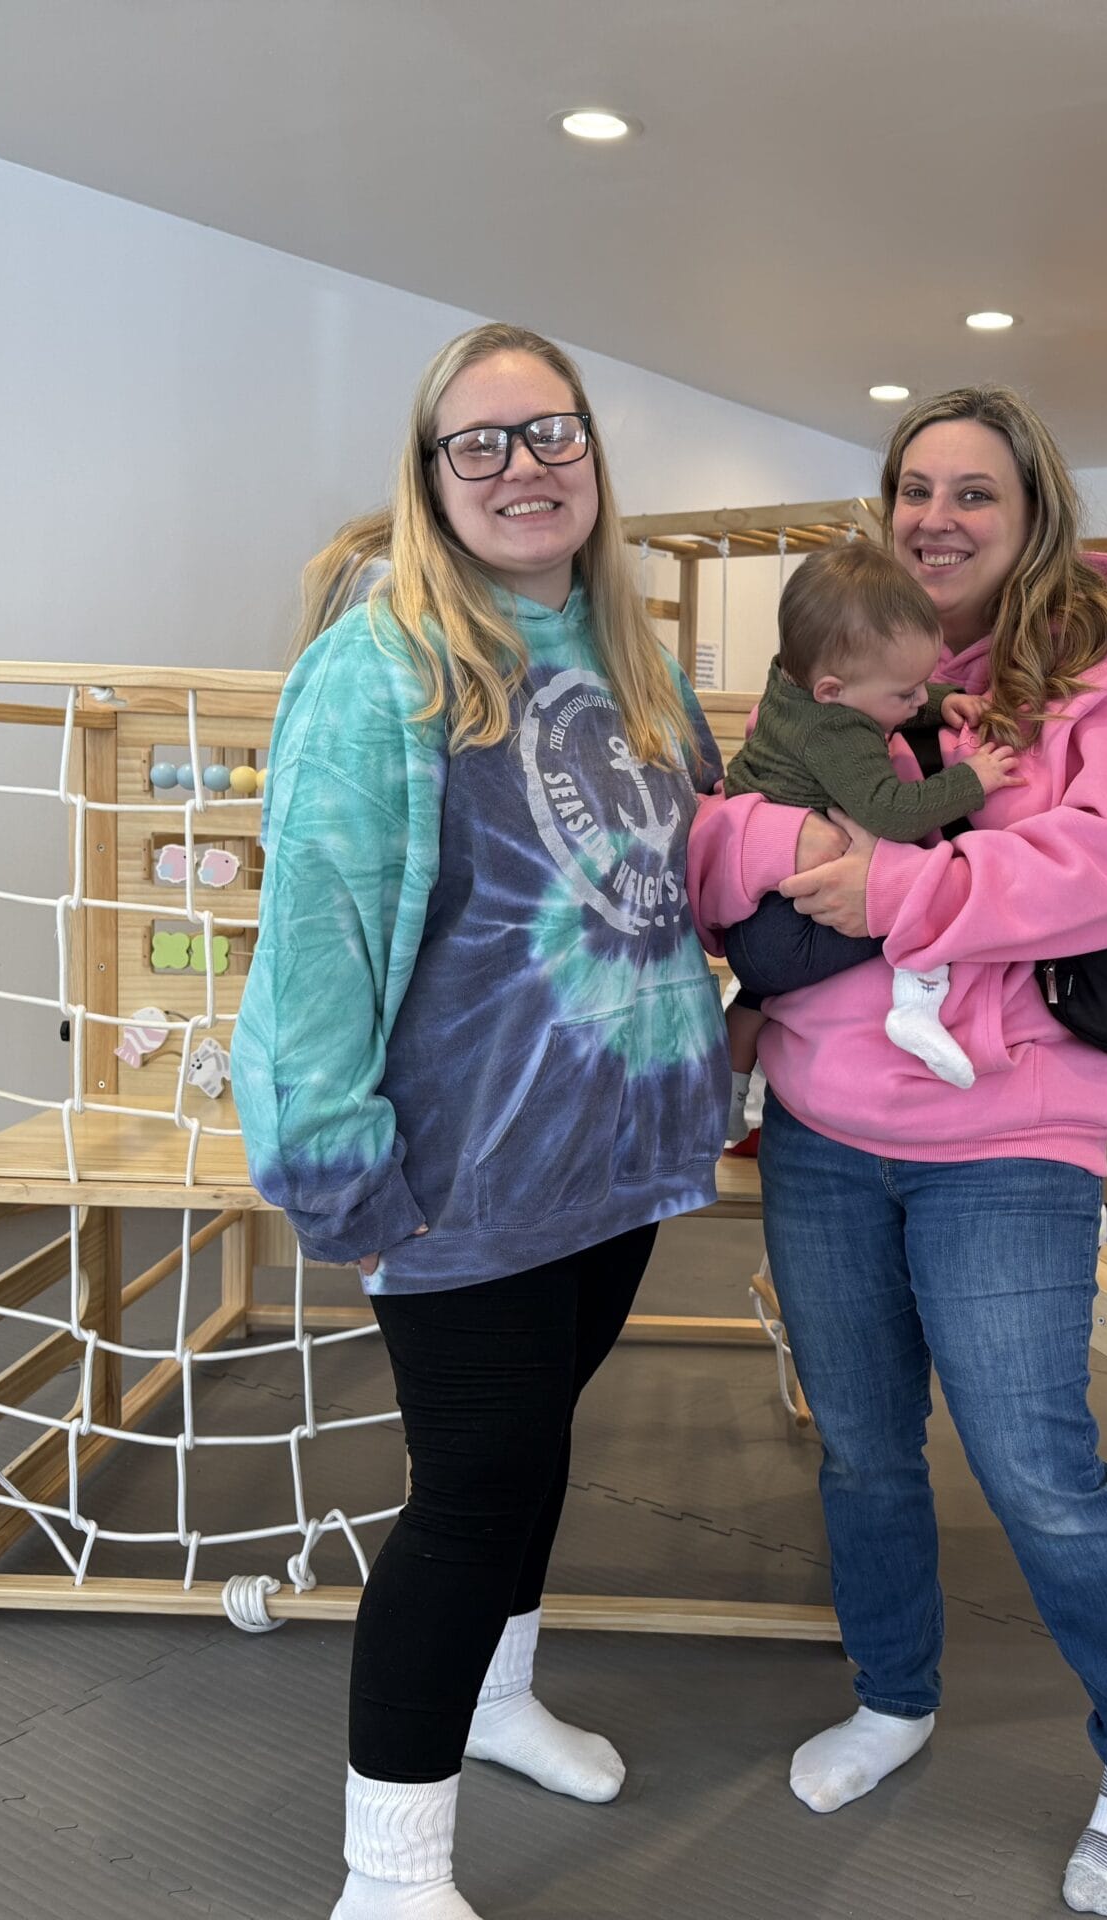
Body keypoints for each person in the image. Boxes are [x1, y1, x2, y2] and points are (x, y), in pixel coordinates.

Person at [687, 385, 1107, 1916]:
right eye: (916, 487)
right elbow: (717, 833)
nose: (940, 517)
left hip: (1014, 1134)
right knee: (860, 1448)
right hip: (826, 1125)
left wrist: (902, 885)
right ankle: (895, 1694)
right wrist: (808, 857)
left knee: (1041, 1469)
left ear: (1036, 508)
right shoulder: (841, 657)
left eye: (975, 491)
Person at [232, 323, 727, 1920]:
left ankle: (503, 1700)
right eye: (483, 442)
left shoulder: (631, 661)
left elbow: (675, 886)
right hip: (463, 1186)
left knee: (533, 1458)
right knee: (467, 1503)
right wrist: (344, 1183)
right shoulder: (379, 669)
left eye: (553, 433)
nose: (524, 468)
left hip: (618, 1164)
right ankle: (390, 1877)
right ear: (432, 473)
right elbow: (312, 940)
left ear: (594, 457)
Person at [718, 540, 1018, 1120]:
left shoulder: (793, 684)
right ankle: (919, 1003)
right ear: (832, 693)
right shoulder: (837, 732)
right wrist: (973, 781)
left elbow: (876, 686)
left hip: (761, 925)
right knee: (920, 908)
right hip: (788, 931)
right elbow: (892, 812)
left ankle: (729, 1087)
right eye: (907, 694)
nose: (915, 701)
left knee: (760, 985)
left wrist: (941, 699)